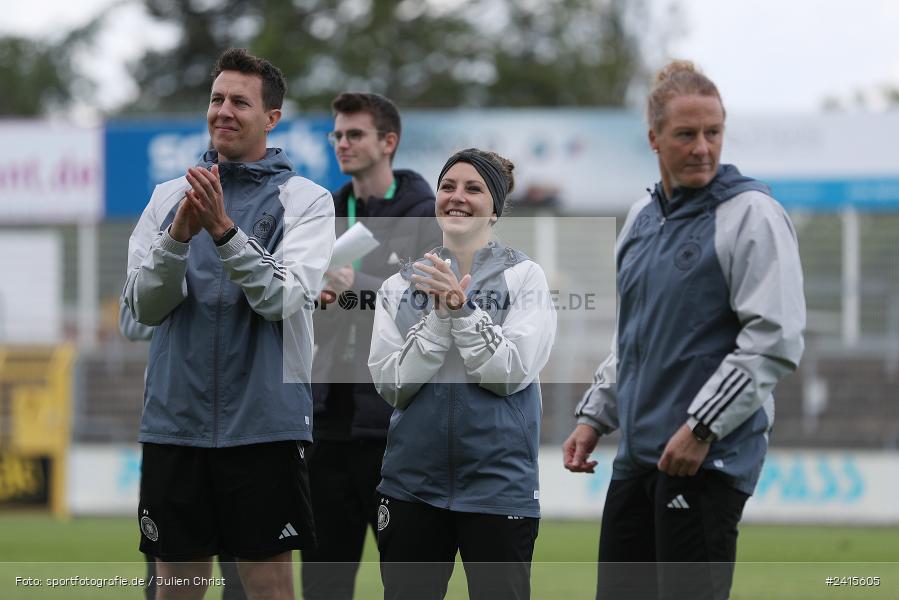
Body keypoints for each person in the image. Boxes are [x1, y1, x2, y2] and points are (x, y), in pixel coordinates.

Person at [562, 60, 806, 600]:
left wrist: (702, 428)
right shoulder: (640, 220)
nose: (703, 148)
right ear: (654, 138)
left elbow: (775, 338)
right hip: (637, 456)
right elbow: (632, 338)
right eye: (686, 134)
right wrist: (594, 416)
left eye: (713, 133)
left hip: (706, 457)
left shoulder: (752, 215)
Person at [122, 47, 335, 600]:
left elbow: (283, 299)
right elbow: (143, 308)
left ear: (271, 118)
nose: (224, 111)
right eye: (217, 99)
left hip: (265, 425)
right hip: (176, 423)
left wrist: (223, 232)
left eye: (240, 101)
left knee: (267, 587)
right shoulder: (166, 198)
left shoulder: (306, 201)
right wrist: (176, 241)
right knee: (177, 589)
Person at [368, 148, 557, 600]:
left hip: (499, 488)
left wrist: (463, 311)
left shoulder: (525, 277)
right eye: (448, 186)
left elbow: (510, 372)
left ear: (495, 207)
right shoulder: (398, 285)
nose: (457, 197)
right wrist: (438, 318)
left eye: (474, 189)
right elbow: (391, 385)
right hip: (411, 487)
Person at [302, 92, 441, 600]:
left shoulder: (425, 212)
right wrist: (316, 298)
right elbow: (309, 317)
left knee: (404, 582)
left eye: (354, 134)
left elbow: (426, 306)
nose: (342, 143)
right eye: (337, 134)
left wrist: (356, 286)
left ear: (389, 142)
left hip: (390, 429)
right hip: (325, 424)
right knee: (322, 582)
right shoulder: (328, 210)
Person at [117, 303, 248, 600]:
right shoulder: (163, 253)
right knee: (170, 576)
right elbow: (130, 321)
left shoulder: (266, 257)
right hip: (175, 425)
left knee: (244, 573)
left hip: (245, 421)